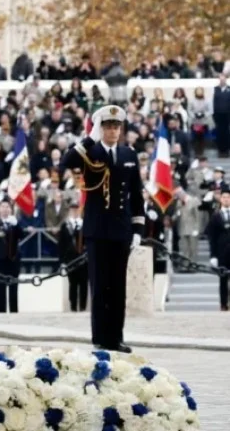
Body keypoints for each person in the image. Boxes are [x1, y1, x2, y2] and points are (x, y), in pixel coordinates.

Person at [62, 104, 145, 353]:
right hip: (97, 229)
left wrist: (138, 230)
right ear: (101, 128)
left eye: (116, 127)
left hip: (121, 230)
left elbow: (136, 195)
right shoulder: (91, 152)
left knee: (118, 286)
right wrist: (89, 138)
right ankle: (100, 337)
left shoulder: (129, 155)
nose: (113, 131)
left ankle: (115, 337)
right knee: (99, 286)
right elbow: (68, 161)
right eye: (108, 127)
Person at [0, 199, 24, 313]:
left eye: (7, 207)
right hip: (0, 259)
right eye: (3, 207)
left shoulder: (14, 223)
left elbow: (22, 235)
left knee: (14, 287)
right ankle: (0, 312)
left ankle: (14, 311)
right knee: (0, 287)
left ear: (11, 209)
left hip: (13, 259)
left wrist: (16, 224)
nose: (5, 209)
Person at [58, 202, 87, 311]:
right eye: (72, 210)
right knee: (73, 284)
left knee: (83, 284)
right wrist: (62, 262)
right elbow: (61, 245)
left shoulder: (84, 224)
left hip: (83, 259)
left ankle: (83, 307)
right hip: (70, 259)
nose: (74, 212)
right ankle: (73, 307)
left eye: (76, 210)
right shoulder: (65, 225)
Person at [206, 186, 230, 311]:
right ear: (220, 199)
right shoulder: (216, 216)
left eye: (228, 197)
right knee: (223, 281)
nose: (226, 199)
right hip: (222, 253)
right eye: (224, 197)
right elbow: (212, 238)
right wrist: (213, 256)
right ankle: (223, 304)